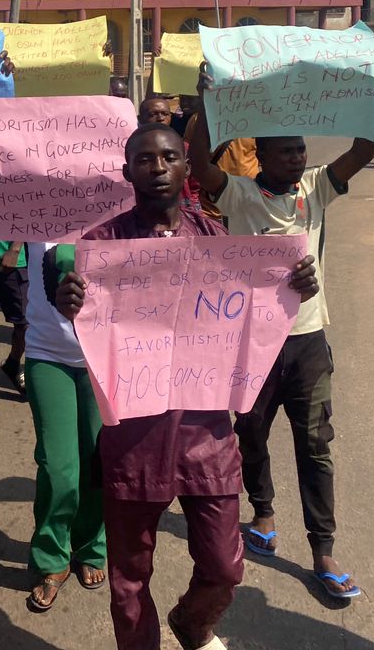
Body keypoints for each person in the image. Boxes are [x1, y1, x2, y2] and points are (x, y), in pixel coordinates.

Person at [51, 125, 319, 650]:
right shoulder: (100, 247)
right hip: (134, 437)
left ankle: (194, 623)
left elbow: (251, 316)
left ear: (186, 168)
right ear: (127, 171)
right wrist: (70, 303)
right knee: (129, 578)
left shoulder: (217, 240)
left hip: (206, 433)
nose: (157, 167)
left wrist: (295, 287)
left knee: (224, 567)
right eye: (144, 159)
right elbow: (87, 327)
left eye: (169, 156)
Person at [188, 66, 374, 601]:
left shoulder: (317, 187)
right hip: (250, 343)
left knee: (316, 443)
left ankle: (323, 549)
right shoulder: (236, 194)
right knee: (250, 433)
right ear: (263, 157)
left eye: (301, 149)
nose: (299, 157)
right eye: (287, 152)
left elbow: (365, 149)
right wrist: (207, 100)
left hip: (307, 341)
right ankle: (263, 514)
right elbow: (198, 159)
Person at [18, 236, 107, 613]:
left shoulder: (120, 201)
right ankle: (52, 557)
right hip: (47, 353)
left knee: (98, 460)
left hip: (105, 356)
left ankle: (91, 545)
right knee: (58, 466)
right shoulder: (32, 200)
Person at [0, 240, 29, 396]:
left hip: (13, 261)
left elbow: (28, 215)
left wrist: (14, 249)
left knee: (26, 323)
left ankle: (13, 363)